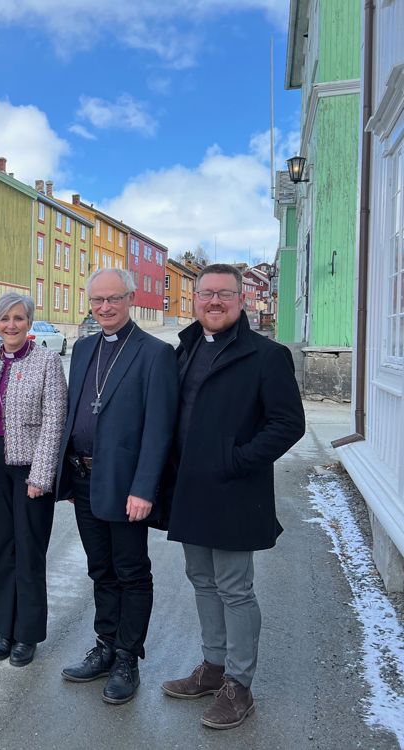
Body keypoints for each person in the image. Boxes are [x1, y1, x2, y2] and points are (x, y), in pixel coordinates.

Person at [159, 264, 305, 730]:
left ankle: (239, 687)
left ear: (242, 300)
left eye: (225, 294)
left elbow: (287, 424)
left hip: (235, 490)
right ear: (194, 300)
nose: (214, 301)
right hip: (190, 488)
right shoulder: (184, 350)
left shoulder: (266, 355)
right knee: (202, 580)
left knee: (235, 588)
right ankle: (213, 667)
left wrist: (237, 460)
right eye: (206, 294)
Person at [54, 268, 178, 704]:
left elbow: (160, 429)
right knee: (100, 568)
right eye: (97, 300)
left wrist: (145, 488)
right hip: (84, 478)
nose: (104, 307)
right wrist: (66, 477)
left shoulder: (155, 353)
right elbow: (76, 414)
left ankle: (128, 655)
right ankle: (105, 645)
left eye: (113, 299)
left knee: (130, 571)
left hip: (127, 486)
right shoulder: (84, 347)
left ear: (130, 299)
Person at [0, 293, 66, 667]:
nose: (11, 325)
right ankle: (3, 630)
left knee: (28, 551)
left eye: (18, 318)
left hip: (30, 466)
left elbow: (55, 419)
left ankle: (26, 634)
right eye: (4, 319)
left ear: (29, 322)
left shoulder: (47, 361)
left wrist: (41, 474)